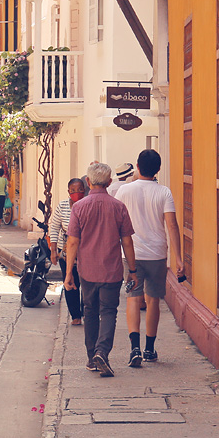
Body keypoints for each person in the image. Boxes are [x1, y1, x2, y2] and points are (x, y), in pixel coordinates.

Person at [65, 162, 137, 378]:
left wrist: (69, 273)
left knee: (90, 312)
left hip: (87, 271)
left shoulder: (78, 208)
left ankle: (91, 358)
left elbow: (72, 243)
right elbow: (127, 242)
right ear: (109, 182)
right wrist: (132, 270)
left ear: (88, 182)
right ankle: (102, 352)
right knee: (108, 312)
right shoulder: (118, 207)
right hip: (112, 270)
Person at [115, 149, 183, 366]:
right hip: (156, 254)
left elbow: (115, 221)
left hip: (132, 254)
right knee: (153, 300)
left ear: (137, 166)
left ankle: (134, 348)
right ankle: (149, 349)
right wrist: (178, 258)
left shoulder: (124, 191)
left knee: (133, 298)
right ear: (159, 169)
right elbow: (171, 224)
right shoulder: (164, 192)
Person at [49, 176, 88, 325]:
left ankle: (86, 311)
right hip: (65, 251)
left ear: (84, 191)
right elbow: (54, 227)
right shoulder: (63, 206)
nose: (76, 193)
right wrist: (53, 250)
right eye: (73, 191)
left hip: (85, 251)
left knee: (85, 282)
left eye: (79, 190)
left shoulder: (87, 205)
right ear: (68, 192)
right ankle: (75, 316)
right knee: (69, 281)